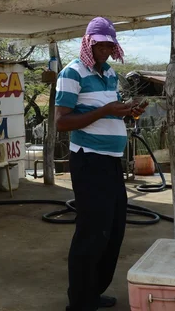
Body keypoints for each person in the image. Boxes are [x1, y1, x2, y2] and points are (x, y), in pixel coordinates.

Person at [55, 17, 148, 311]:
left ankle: (93, 292)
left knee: (114, 229)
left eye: (111, 45)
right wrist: (107, 109)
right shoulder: (72, 73)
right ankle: (79, 302)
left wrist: (128, 112)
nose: (107, 50)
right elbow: (62, 122)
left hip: (110, 163)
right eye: (102, 45)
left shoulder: (109, 74)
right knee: (92, 232)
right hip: (88, 161)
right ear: (89, 43)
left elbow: (108, 114)